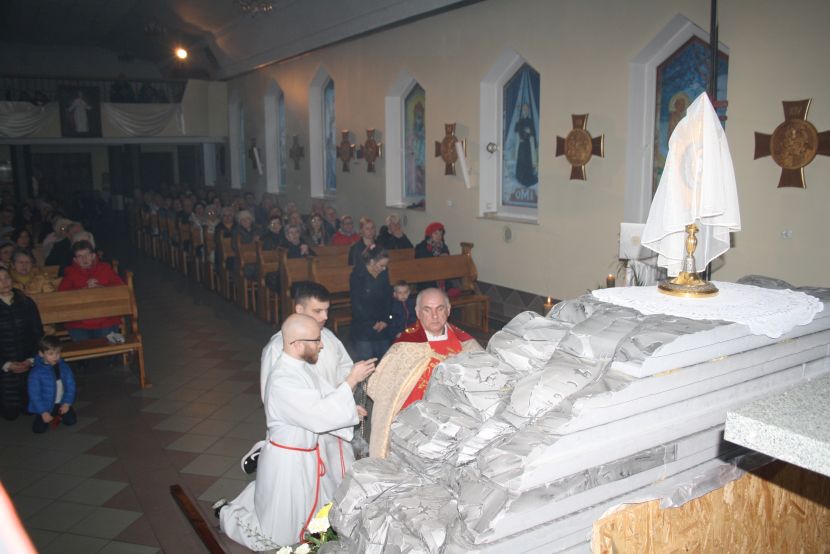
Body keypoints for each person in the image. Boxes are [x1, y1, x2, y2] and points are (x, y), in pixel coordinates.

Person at [215, 314, 374, 550]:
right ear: (297, 344)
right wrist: (351, 380)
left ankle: (304, 535)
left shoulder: (302, 367)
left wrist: (350, 408)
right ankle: (226, 514)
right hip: (287, 463)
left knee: (314, 515)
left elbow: (323, 399)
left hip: (307, 456)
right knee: (274, 537)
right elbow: (318, 415)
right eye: (316, 340)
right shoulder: (283, 380)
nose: (321, 345)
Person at [246, 282, 375, 486]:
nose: (325, 317)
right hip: (305, 432)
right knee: (300, 490)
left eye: (327, 310)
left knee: (336, 483)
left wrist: (345, 403)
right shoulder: (279, 348)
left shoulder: (328, 337)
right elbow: (277, 399)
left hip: (333, 421)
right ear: (299, 309)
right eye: (317, 311)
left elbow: (343, 369)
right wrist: (341, 398)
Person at [367, 288, 482, 458]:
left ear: (448, 310)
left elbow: (485, 382)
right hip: (410, 425)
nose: (434, 316)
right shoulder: (405, 347)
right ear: (417, 312)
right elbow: (380, 388)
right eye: (427, 310)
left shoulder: (466, 345)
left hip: (455, 424)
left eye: (440, 309)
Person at [57, 240, 124, 341]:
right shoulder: (70, 273)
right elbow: (62, 295)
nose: (84, 259)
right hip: (79, 321)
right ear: (75, 260)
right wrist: (83, 289)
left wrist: (101, 287)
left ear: (93, 256)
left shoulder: (104, 268)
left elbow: (120, 287)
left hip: (105, 318)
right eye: (80, 256)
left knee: (106, 342)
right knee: (83, 345)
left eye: (87, 255)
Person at [0, 267, 43, 421]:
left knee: (30, 408)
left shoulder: (26, 302)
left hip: (27, 361)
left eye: (6, 277)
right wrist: (6, 364)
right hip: (5, 366)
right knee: (10, 414)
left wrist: (31, 359)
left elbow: (37, 332)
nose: (4, 282)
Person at [350, 245, 392, 361]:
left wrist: (385, 320)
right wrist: (371, 323)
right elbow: (357, 304)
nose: (384, 268)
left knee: (384, 358)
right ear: (372, 261)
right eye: (381, 265)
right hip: (364, 323)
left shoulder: (384, 273)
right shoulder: (357, 275)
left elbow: (388, 297)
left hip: (382, 322)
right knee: (366, 359)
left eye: (385, 265)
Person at [28, 335, 77, 434]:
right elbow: (34, 395)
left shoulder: (64, 367)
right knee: (38, 430)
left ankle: (58, 415)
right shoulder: (36, 372)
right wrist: (43, 412)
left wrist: (66, 403)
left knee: (71, 421)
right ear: (41, 354)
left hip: (61, 402)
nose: (55, 356)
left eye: (58, 353)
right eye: (50, 354)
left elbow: (71, 387)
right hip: (46, 405)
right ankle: (48, 415)